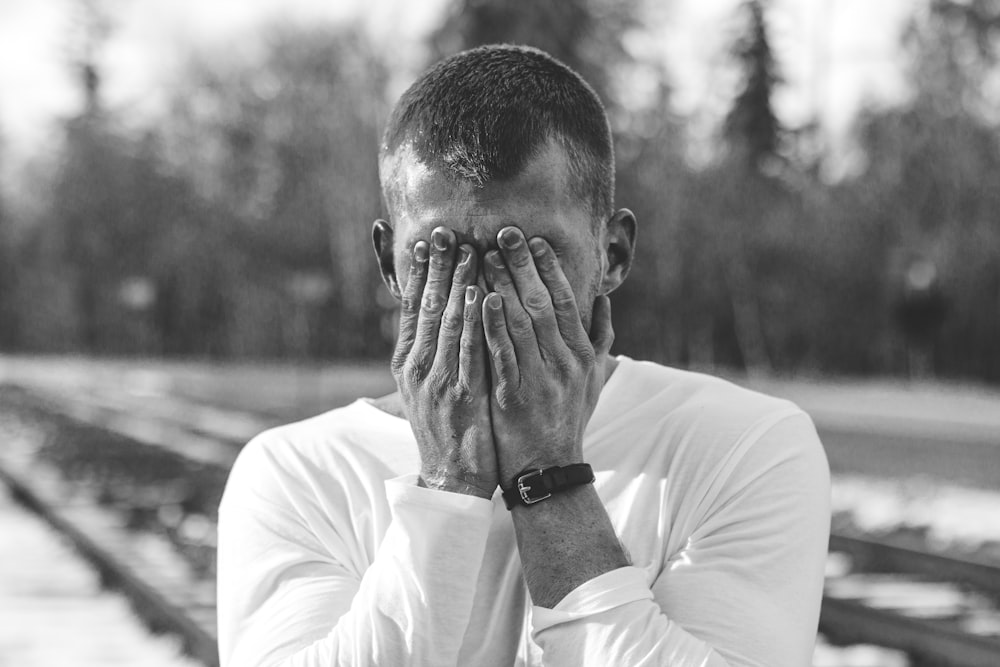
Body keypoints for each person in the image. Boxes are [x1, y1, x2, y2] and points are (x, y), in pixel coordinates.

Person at [217, 44, 830, 667]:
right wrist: (448, 483)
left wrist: (550, 473)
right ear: (388, 265)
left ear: (612, 253)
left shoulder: (744, 447)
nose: (484, 297)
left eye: (530, 255)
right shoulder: (297, 473)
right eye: (441, 257)